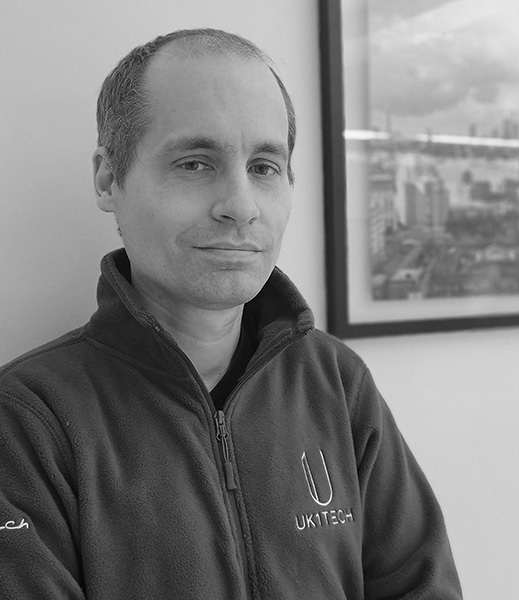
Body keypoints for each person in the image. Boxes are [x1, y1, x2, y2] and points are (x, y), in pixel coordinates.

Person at [0, 29, 462, 599]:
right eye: (195, 163)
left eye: (264, 167)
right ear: (108, 178)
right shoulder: (28, 420)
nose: (241, 206)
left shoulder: (335, 383)